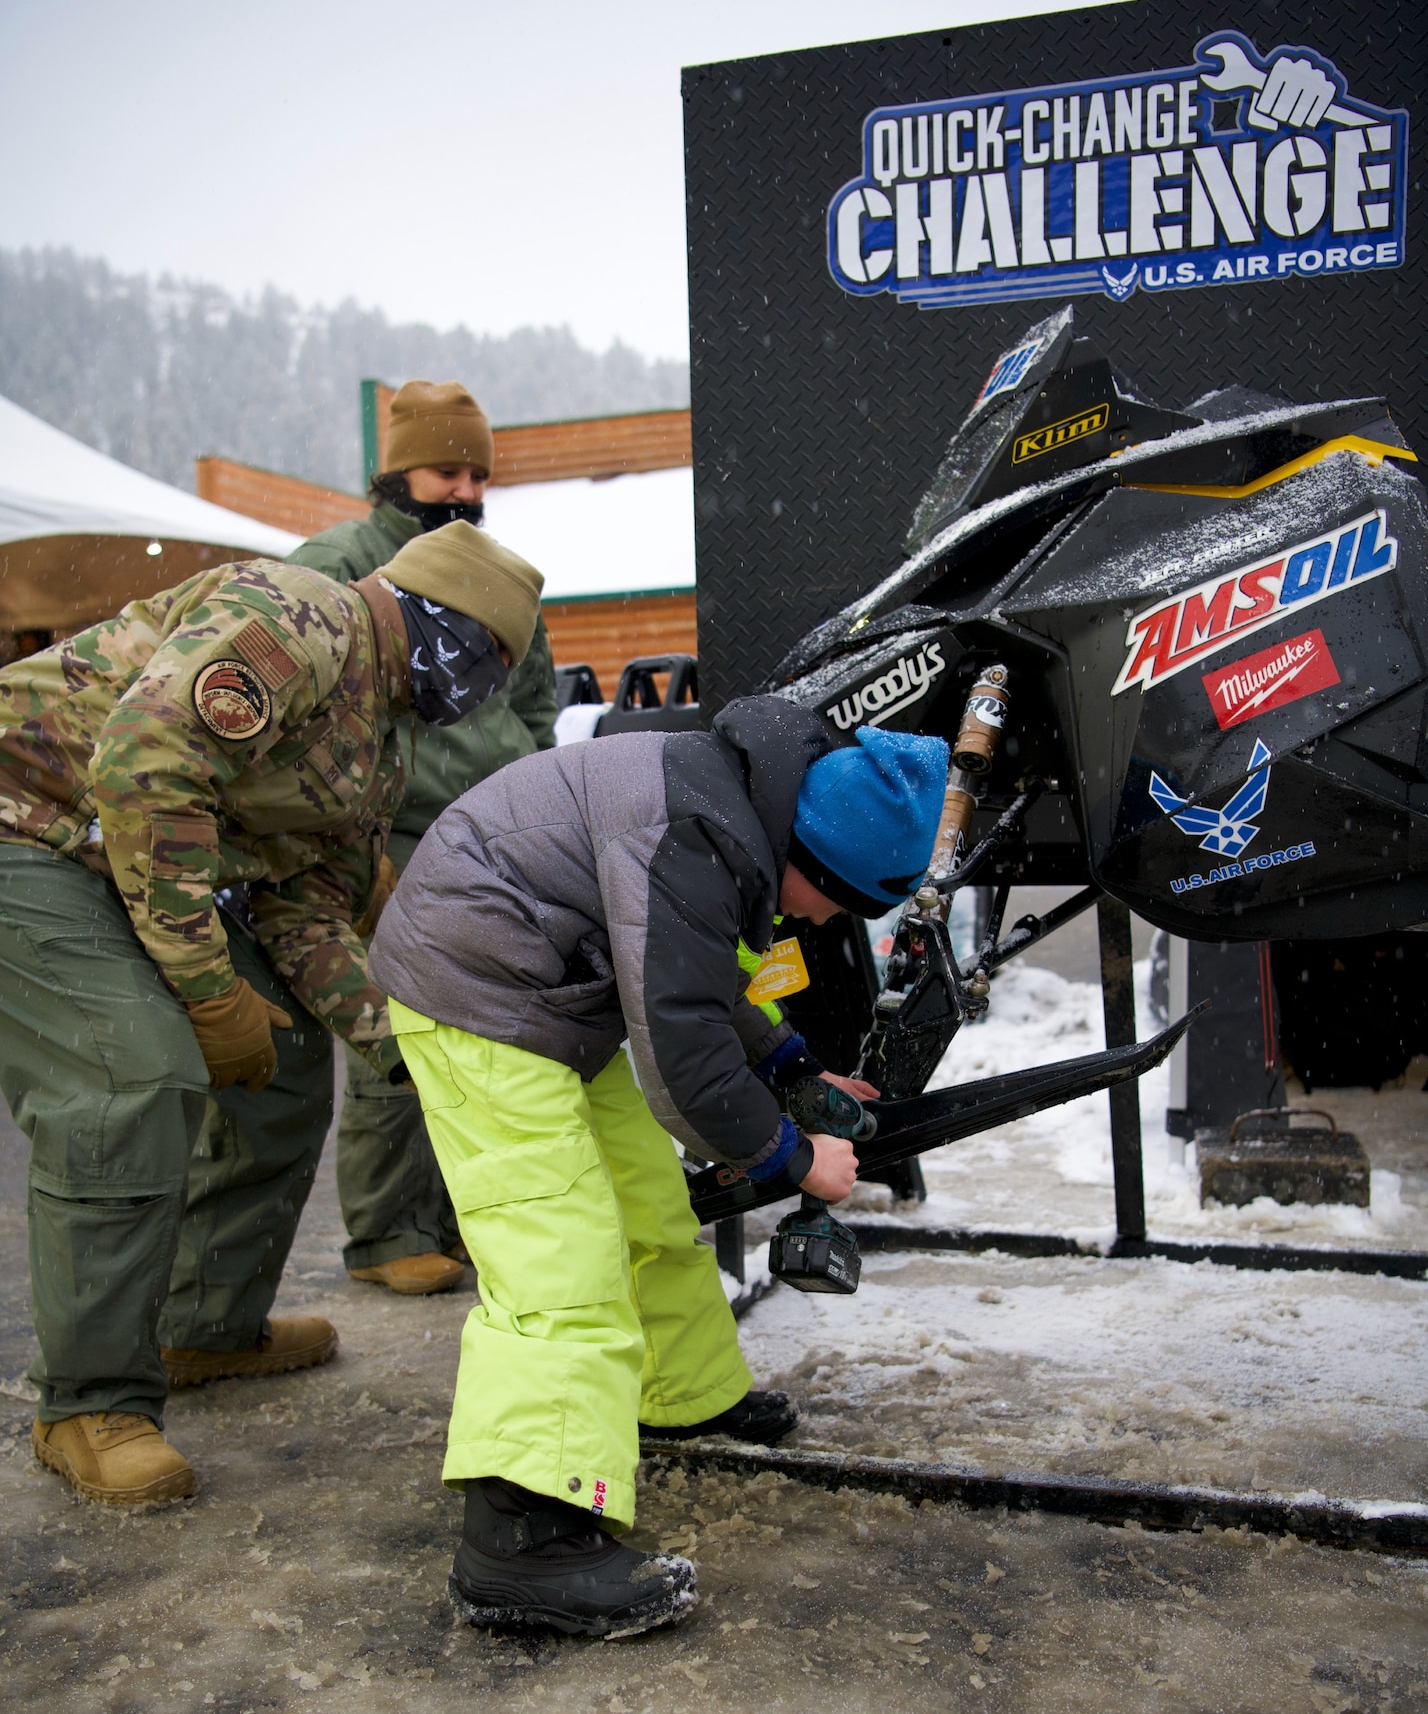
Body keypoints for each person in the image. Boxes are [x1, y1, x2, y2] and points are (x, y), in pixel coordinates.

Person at [369, 700, 949, 1636]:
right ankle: (520, 1539)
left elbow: (690, 973)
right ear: (817, 859)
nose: (827, 917)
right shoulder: (704, 830)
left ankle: (678, 1394)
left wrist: (793, 1070)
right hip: (477, 985)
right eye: (839, 899)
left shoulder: (740, 810)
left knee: (645, 1201)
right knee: (559, 1251)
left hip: (560, 985)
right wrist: (800, 1159)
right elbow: (682, 1060)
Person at [0, 521, 542, 1506]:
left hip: (107, 849)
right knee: (134, 1074)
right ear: (442, 624)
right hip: (24, 820)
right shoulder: (303, 622)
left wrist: (412, 1050)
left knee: (282, 1071)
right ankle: (85, 1404)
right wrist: (209, 991)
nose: (485, 687)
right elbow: (143, 764)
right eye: (488, 658)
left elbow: (306, 913)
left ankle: (201, 1325)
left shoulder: (378, 732)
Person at [288, 380, 558, 1297]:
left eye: (477, 471)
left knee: (482, 1031)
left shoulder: (500, 566)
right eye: (447, 468)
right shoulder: (336, 561)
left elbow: (535, 697)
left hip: (491, 834)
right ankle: (385, 1233)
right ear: (397, 468)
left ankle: (456, 1219)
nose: (464, 488)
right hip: (387, 832)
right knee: (396, 1023)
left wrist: (535, 776)